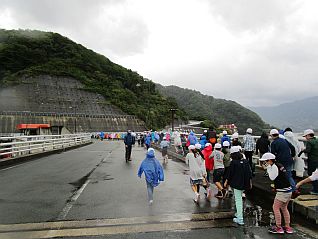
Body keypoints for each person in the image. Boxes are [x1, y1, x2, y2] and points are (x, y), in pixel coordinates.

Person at [259, 153, 293, 234]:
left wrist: (267, 168)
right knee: (284, 208)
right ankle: (288, 227)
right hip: (288, 190)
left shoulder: (274, 166)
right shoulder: (279, 164)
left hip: (282, 191)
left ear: (270, 160)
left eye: (265, 161)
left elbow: (272, 177)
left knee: (275, 208)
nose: (264, 163)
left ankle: (278, 227)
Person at [224, 146, 252, 226]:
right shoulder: (246, 161)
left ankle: (240, 218)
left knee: (238, 200)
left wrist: (226, 182)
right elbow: (249, 173)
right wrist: (250, 183)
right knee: (239, 200)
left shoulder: (233, 163)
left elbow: (230, 174)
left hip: (237, 184)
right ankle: (238, 213)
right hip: (245, 184)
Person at [298, 129, 318, 195]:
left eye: (305, 136)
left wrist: (303, 150)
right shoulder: (316, 140)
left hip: (312, 160)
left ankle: (315, 190)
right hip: (317, 160)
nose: (305, 138)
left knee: (312, 174)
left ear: (308, 135)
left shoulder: (309, 142)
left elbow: (308, 151)